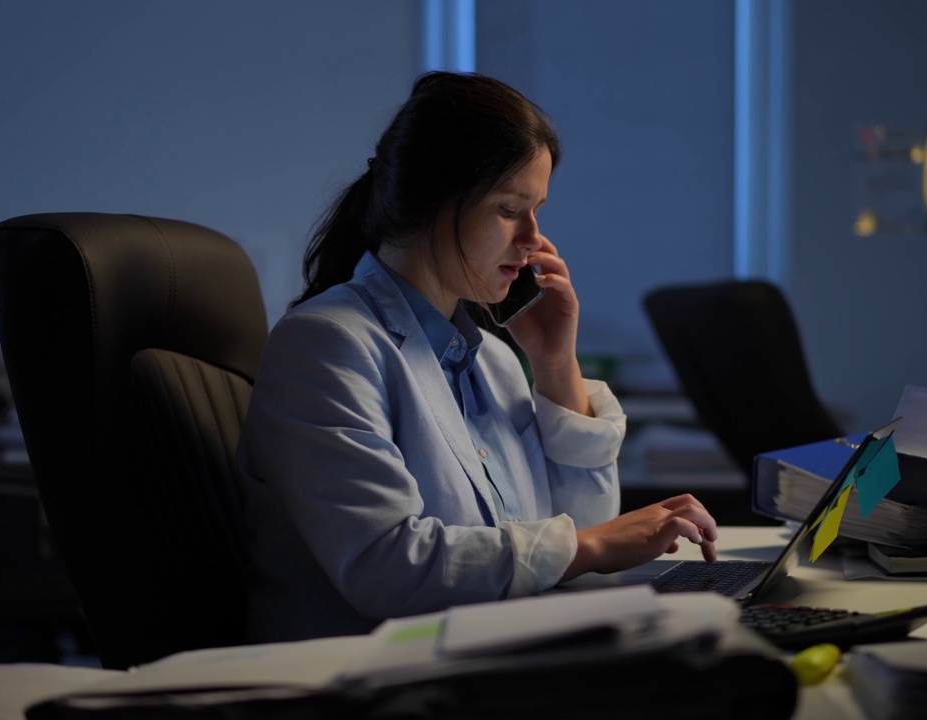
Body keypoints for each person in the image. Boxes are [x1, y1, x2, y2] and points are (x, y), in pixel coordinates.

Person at [238, 71, 719, 643]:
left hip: (491, 649)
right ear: (436, 202)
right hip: (367, 672)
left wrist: (555, 364)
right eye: (510, 209)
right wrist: (587, 546)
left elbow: (583, 534)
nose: (534, 240)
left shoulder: (487, 354)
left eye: (538, 209)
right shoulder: (325, 344)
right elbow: (386, 566)